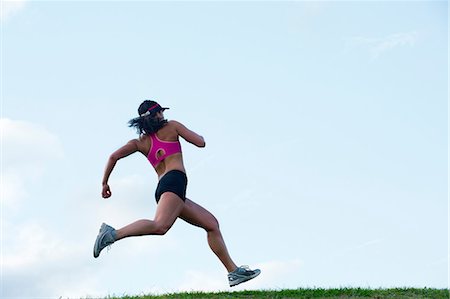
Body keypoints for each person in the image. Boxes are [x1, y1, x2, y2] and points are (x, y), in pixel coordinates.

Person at [93, 100, 260, 287]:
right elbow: (200, 142)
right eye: (161, 113)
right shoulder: (172, 126)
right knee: (160, 226)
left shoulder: (139, 142)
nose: (163, 116)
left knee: (211, 224)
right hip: (173, 183)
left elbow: (113, 156)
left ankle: (233, 272)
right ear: (156, 114)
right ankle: (112, 234)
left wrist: (104, 183)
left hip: (168, 188)